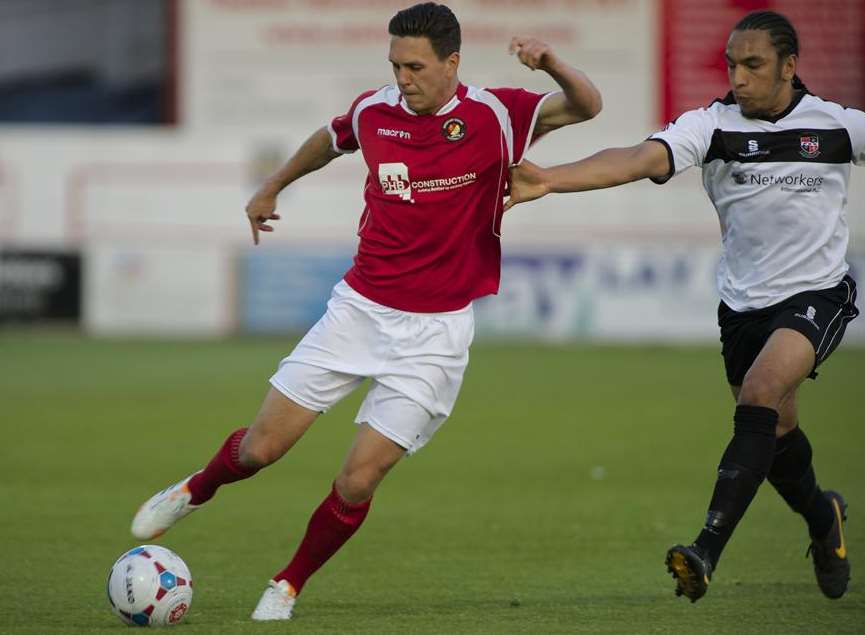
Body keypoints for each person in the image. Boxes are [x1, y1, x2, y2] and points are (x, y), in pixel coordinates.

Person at [130, 2, 602, 621]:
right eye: (395, 64)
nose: (403, 77)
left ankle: (288, 584)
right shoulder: (374, 111)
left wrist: (552, 63)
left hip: (435, 335)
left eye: (415, 66)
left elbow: (588, 105)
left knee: (357, 482)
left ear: (451, 63)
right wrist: (272, 185)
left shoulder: (499, 114)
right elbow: (328, 142)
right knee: (262, 449)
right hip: (358, 311)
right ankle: (196, 488)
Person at [506, 10, 860, 603]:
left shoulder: (839, 126)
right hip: (744, 307)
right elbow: (639, 158)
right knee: (776, 435)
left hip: (818, 293)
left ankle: (705, 549)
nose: (740, 78)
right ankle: (825, 519)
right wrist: (550, 178)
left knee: (761, 395)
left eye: (754, 65)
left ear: (790, 66)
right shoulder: (712, 125)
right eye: (732, 65)